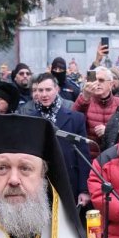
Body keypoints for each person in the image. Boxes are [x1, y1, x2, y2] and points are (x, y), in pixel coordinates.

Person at [23, 73, 92, 209]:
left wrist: (84, 189)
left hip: (69, 182)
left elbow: (83, 156)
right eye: (40, 90)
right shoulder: (30, 120)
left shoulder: (75, 118)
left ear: (57, 89)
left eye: (48, 90)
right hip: (40, 185)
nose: (44, 94)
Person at [73, 66, 119, 161]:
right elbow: (73, 121)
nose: (97, 83)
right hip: (89, 159)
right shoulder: (85, 101)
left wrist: (109, 131)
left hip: (114, 159)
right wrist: (84, 97)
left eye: (101, 80)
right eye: (95, 80)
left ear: (111, 84)